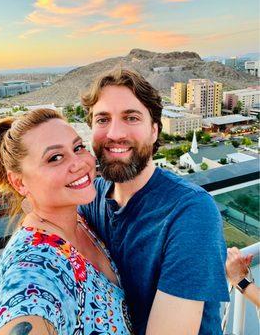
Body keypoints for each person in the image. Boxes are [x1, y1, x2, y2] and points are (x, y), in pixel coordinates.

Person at [80, 69, 229, 335]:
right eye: (103, 119)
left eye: (131, 117)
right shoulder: (90, 199)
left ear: (153, 130)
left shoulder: (189, 212)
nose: (114, 133)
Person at [0, 108, 132, 335]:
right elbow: (26, 305)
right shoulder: (30, 269)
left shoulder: (81, 223)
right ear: (19, 183)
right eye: (55, 158)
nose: (79, 163)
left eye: (77, 148)